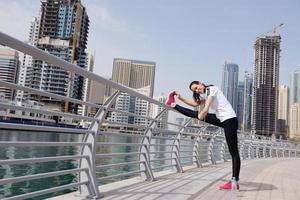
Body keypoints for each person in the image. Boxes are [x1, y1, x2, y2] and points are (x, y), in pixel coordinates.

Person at [166, 81, 241, 190]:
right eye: (195, 90)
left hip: (229, 119)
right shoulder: (207, 94)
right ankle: (172, 104)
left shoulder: (212, 89)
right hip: (222, 119)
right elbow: (194, 104)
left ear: (201, 83)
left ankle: (234, 181)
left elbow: (207, 105)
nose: (197, 90)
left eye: (197, 87)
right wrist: (180, 98)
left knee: (233, 152)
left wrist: (204, 112)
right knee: (195, 114)